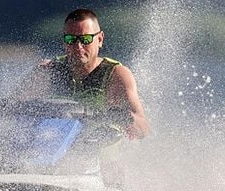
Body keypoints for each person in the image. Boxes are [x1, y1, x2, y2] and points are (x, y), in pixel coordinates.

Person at [18, 8, 150, 139]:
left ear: (100, 39)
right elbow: (12, 107)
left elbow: (143, 128)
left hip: (100, 148)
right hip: (56, 143)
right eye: (71, 39)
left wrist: (124, 117)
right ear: (64, 41)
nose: (78, 46)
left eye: (85, 39)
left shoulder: (116, 75)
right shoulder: (48, 70)